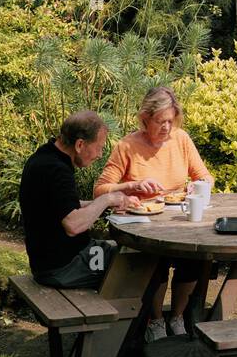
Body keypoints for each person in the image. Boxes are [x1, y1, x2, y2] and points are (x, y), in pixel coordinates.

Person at [94, 86, 214, 341]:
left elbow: (205, 177)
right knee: (155, 265)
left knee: (193, 260)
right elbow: (100, 190)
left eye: (171, 121)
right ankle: (155, 320)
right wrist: (132, 186)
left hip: (178, 220)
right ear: (145, 119)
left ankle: (178, 316)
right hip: (143, 225)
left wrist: (197, 185)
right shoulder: (127, 146)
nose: (166, 128)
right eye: (160, 121)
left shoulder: (181, 140)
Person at [19, 111, 159, 290]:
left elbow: (62, 207)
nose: (100, 154)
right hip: (65, 267)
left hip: (62, 258)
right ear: (79, 144)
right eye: (99, 147)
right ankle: (131, 317)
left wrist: (116, 198)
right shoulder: (56, 170)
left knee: (123, 252)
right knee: (139, 264)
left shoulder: (46, 156)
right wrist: (107, 199)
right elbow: (73, 225)